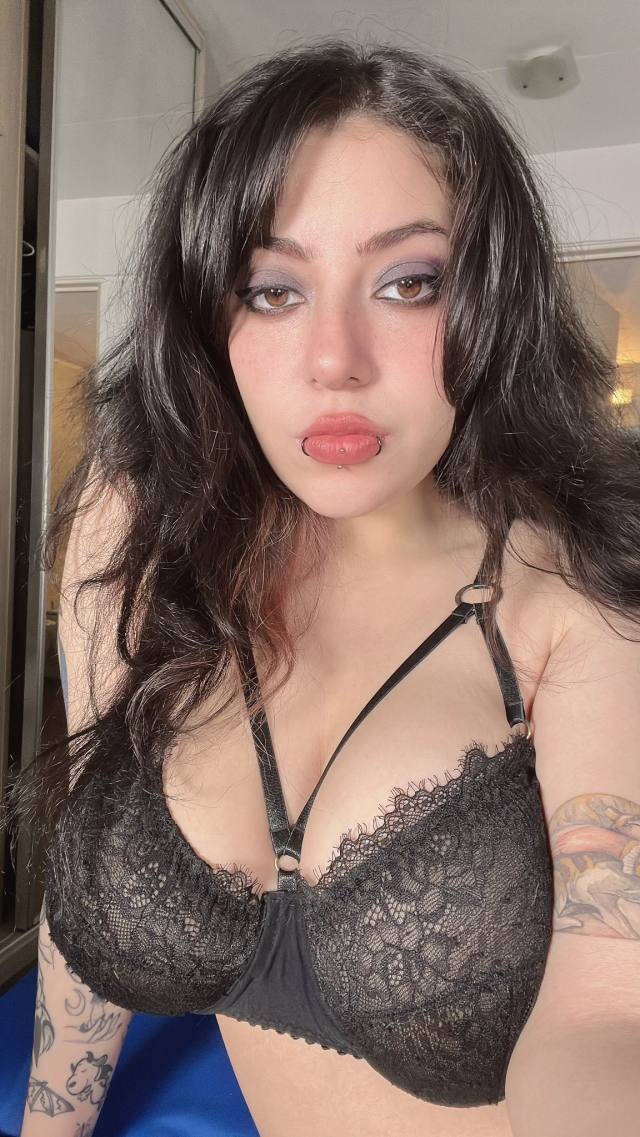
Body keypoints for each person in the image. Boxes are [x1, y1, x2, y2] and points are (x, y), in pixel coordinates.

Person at [6, 36, 640, 1137]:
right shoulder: (143, 526)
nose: (335, 358)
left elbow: (606, 1011)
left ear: (491, 302)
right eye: (272, 289)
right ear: (206, 314)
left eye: (409, 283)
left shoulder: (573, 599)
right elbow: (90, 874)